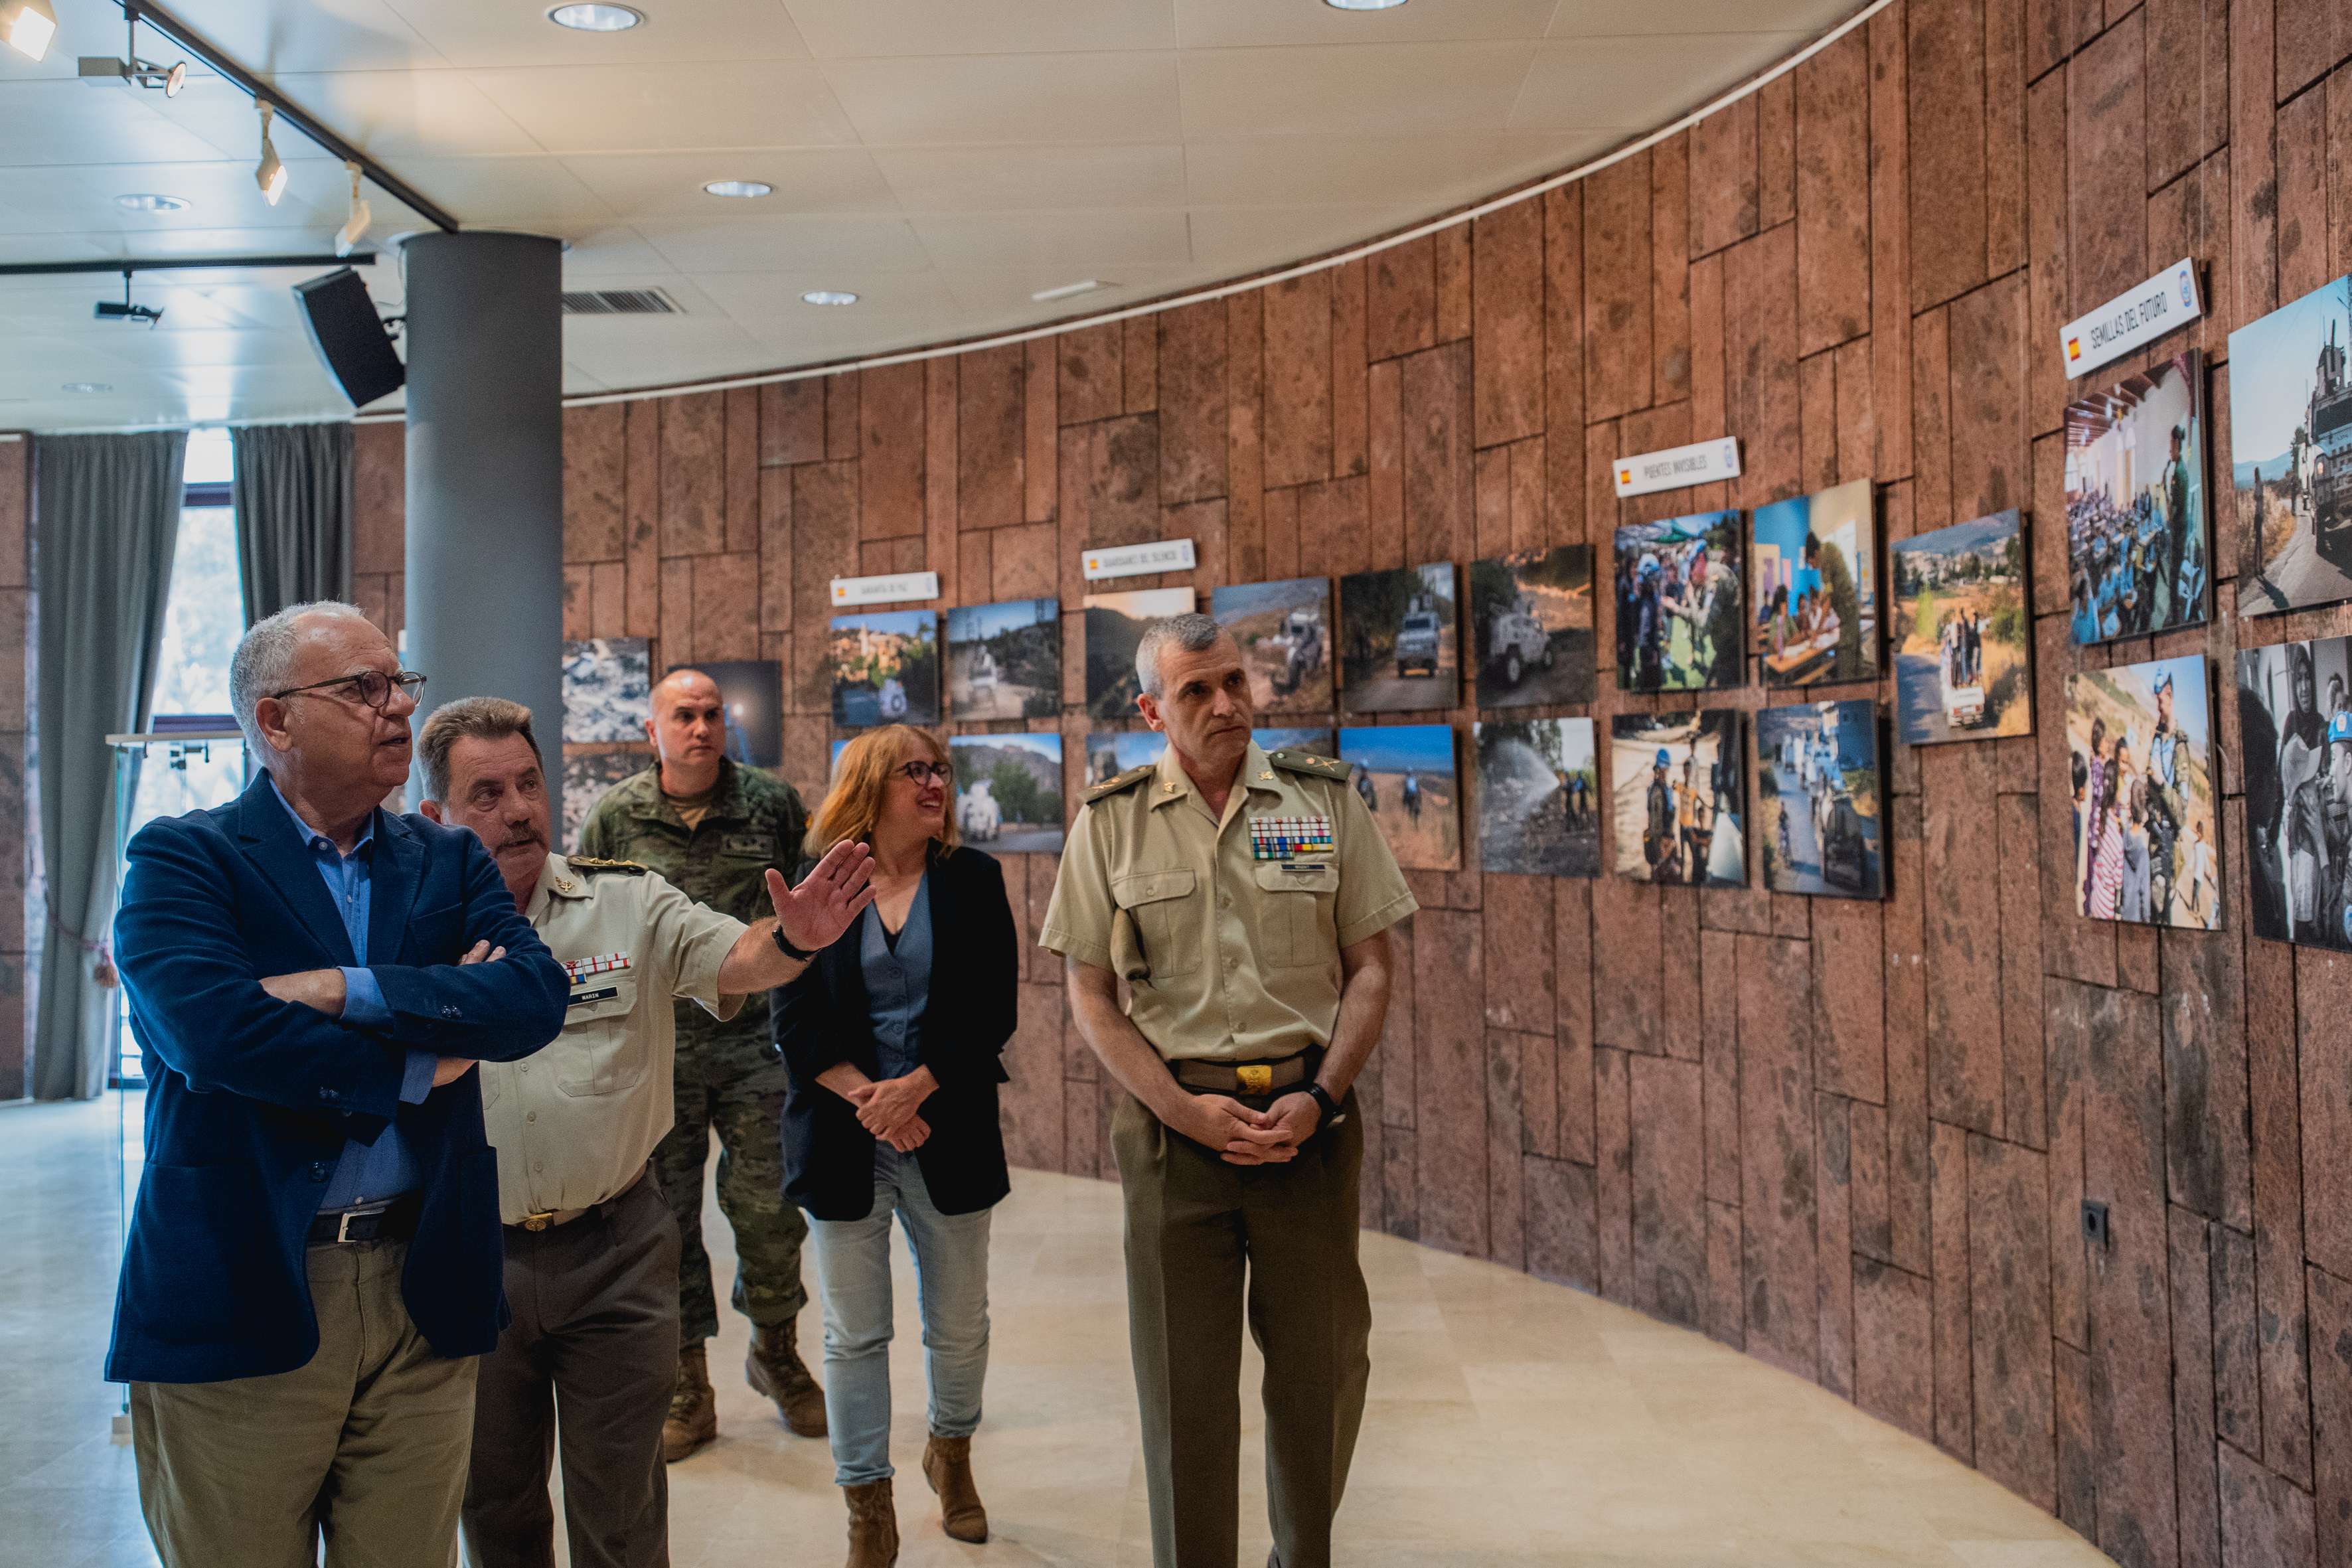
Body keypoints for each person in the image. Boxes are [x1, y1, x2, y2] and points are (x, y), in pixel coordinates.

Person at [109, 603, 570, 1568]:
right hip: (243, 1285)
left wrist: (342, 989)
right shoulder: (181, 860)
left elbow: (529, 998)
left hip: (423, 1282)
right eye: (364, 688)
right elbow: (219, 1035)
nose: (398, 706)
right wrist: (418, 1057)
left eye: (402, 682)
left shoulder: (444, 857)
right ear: (274, 720)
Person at [416, 698, 876, 1568]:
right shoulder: (407, 933)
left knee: (622, 1508)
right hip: (470, 1254)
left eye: (528, 783)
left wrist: (793, 940)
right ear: (435, 815)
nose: (519, 808)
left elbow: (731, 954)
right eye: (486, 792)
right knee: (494, 1500)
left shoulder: (623, 901)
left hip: (615, 1251)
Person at [1042, 612, 1415, 1568]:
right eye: (1194, 691)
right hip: (1175, 1139)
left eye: (1232, 683)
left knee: (1323, 1371)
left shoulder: (1321, 801)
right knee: (1182, 1388)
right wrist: (1179, 1108)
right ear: (1149, 710)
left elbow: (1369, 967)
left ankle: (1303, 1555)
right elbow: (1088, 992)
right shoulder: (1110, 818)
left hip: (1308, 1127)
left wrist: (1321, 1099)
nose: (1222, 704)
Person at [772, 726, 1020, 1567]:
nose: (934, 783)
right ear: (869, 786)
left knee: (958, 1326)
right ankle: (866, 1503)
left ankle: (951, 1454)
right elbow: (792, 1021)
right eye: (914, 770)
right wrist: (872, 1102)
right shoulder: (820, 886)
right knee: (853, 1333)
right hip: (846, 1139)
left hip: (947, 1127)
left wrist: (916, 1089)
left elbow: (994, 1012)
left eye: (940, 770)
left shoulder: (974, 880)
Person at [579, 667, 826, 1457]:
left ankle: (776, 1353)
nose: (702, 727)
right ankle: (688, 1383)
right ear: (653, 730)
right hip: (658, 1049)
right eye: (684, 715)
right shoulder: (617, 816)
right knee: (668, 1221)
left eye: (713, 714)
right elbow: (584, 922)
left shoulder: (772, 803)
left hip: (756, 1045)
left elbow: (808, 922)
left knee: (767, 1211)